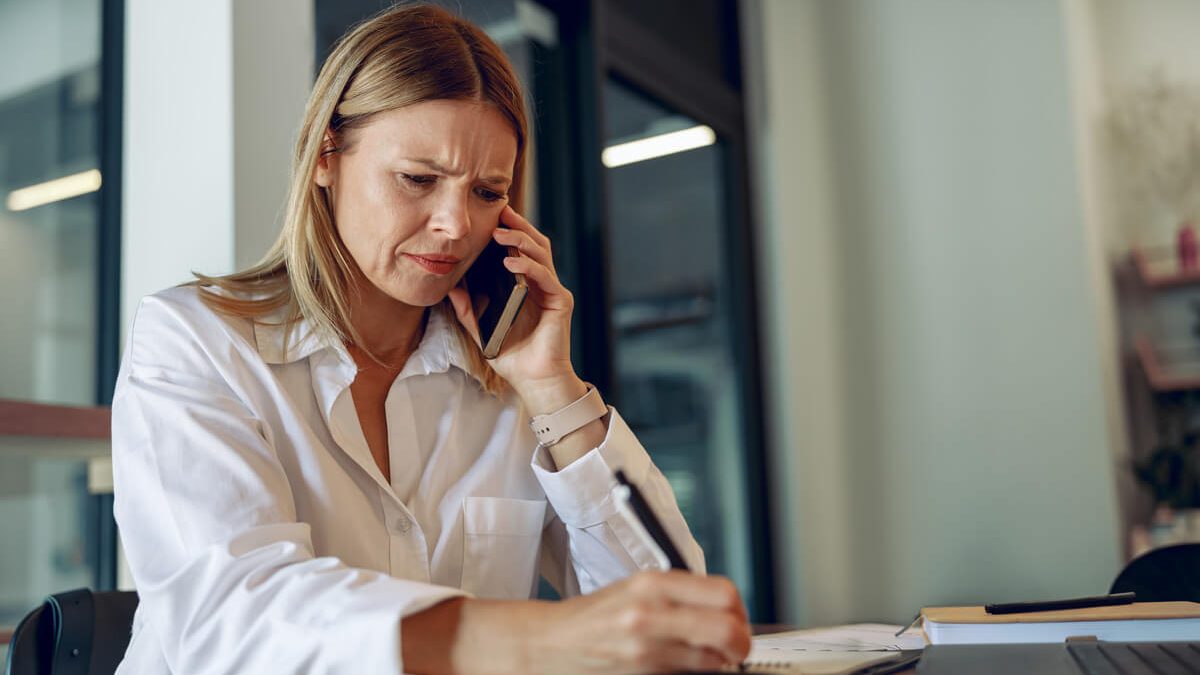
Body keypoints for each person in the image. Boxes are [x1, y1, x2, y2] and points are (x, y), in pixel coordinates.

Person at [111, 4, 751, 673]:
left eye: (485, 191)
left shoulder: (508, 385)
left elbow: (671, 608)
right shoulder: (196, 342)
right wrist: (540, 639)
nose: (453, 224)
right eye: (417, 179)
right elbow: (233, 618)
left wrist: (554, 390)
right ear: (327, 154)